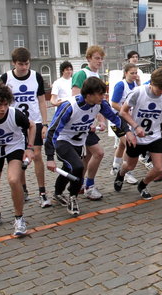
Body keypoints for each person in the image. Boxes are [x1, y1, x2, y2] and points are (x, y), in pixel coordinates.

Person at [45, 77, 134, 215]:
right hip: (63, 140)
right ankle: (73, 197)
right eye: (100, 94)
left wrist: (128, 131)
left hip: (79, 141)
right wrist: (49, 157)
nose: (103, 97)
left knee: (68, 168)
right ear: (89, 94)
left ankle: (57, 193)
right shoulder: (69, 106)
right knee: (78, 167)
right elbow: (52, 131)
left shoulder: (101, 104)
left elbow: (116, 118)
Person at [114, 69, 162, 199]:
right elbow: (123, 112)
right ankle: (121, 174)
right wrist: (135, 127)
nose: (161, 92)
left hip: (154, 136)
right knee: (130, 165)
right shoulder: (138, 92)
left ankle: (143, 185)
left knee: (160, 168)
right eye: (158, 89)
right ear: (152, 83)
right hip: (136, 137)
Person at [0, 47, 51, 208]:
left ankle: (42, 193)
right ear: (14, 63)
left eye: (27, 63)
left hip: (33, 123)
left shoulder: (36, 76)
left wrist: (44, 123)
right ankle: (23, 190)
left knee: (37, 156)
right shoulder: (6, 78)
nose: (24, 67)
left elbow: (42, 101)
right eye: (21, 64)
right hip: (14, 125)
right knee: (19, 159)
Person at [0, 83, 35, 236]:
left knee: (13, 179)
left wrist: (29, 148)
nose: (3, 108)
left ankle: (19, 218)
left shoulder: (14, 114)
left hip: (13, 147)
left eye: (5, 104)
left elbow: (32, 126)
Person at [71, 45, 106, 200]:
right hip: (79, 124)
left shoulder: (98, 75)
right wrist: (88, 121)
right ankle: (88, 186)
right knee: (98, 153)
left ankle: (78, 184)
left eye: (101, 58)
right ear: (88, 58)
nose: (100, 61)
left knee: (88, 156)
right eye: (97, 58)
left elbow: (99, 103)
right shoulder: (81, 74)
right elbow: (76, 99)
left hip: (89, 123)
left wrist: (101, 119)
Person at [110, 63, 139, 184]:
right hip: (117, 118)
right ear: (125, 73)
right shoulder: (120, 85)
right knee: (128, 144)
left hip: (128, 118)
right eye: (132, 73)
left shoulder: (136, 84)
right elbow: (113, 103)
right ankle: (127, 173)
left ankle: (115, 166)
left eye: (135, 73)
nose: (134, 75)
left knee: (122, 144)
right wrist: (125, 111)